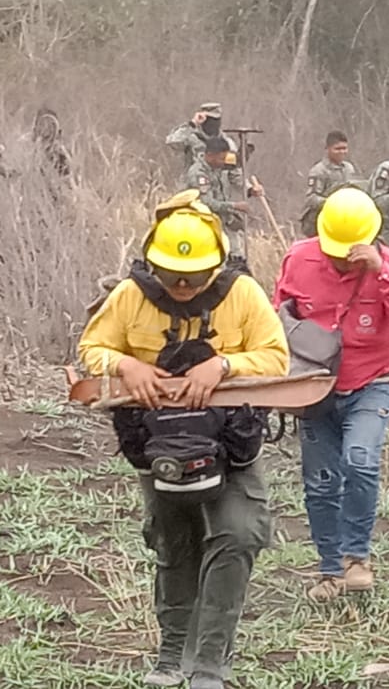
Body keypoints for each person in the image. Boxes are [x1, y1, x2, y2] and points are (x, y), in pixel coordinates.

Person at [77, 192, 288, 689]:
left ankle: (210, 662)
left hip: (229, 444)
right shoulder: (131, 295)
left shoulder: (241, 293)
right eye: (173, 276)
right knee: (174, 542)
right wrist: (125, 364)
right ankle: (172, 655)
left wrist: (225, 364)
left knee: (238, 533)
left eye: (194, 277)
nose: (183, 284)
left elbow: (276, 356)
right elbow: (91, 348)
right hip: (159, 447)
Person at [274, 187, 389, 600]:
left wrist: (382, 273)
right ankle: (329, 571)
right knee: (321, 481)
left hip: (370, 382)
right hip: (312, 387)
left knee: (359, 461)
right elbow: (278, 316)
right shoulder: (299, 258)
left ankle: (357, 558)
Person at [184, 136, 260, 260]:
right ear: (210, 155)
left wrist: (250, 190)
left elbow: (235, 175)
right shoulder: (199, 174)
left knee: (236, 258)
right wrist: (234, 206)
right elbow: (207, 203)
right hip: (206, 225)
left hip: (226, 222)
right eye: (221, 158)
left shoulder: (221, 168)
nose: (223, 161)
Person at [299, 131, 357, 237]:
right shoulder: (319, 171)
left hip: (342, 220)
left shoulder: (349, 168)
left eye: (344, 148)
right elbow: (311, 198)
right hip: (319, 221)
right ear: (328, 149)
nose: (342, 152)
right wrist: (333, 203)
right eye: (337, 149)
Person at [166, 103, 235, 168]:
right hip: (194, 179)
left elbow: (234, 170)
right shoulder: (191, 138)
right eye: (208, 119)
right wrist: (192, 123)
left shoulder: (227, 142)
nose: (212, 123)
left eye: (215, 120)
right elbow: (172, 142)